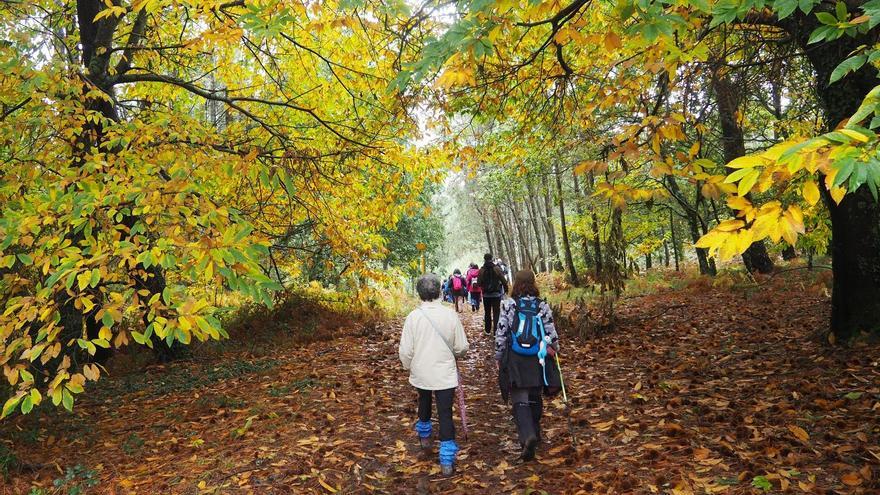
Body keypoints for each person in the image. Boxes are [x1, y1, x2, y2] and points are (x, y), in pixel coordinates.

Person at [399, 274, 469, 475]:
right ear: (439, 291)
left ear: (419, 293)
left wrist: (407, 366)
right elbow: (461, 347)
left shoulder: (413, 317)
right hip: (445, 374)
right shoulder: (449, 315)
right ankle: (446, 460)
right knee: (445, 413)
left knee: (424, 401)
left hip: (421, 372)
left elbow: (406, 351)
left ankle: (425, 437)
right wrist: (456, 354)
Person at [495, 269, 560, 462]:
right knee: (534, 394)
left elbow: (501, 332)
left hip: (515, 357)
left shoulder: (508, 304)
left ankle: (527, 436)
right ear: (533, 283)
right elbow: (551, 333)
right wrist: (554, 349)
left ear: (516, 283)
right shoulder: (542, 305)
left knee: (519, 398)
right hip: (537, 356)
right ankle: (535, 434)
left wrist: (499, 357)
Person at [478, 253, 508, 336]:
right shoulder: (497, 269)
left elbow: (478, 283)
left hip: (486, 295)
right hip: (496, 295)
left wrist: (484, 286)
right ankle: (496, 331)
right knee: (496, 313)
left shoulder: (482, 270)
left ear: (484, 259)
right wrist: (506, 290)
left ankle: (487, 331)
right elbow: (504, 281)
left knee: (487, 312)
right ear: (492, 258)